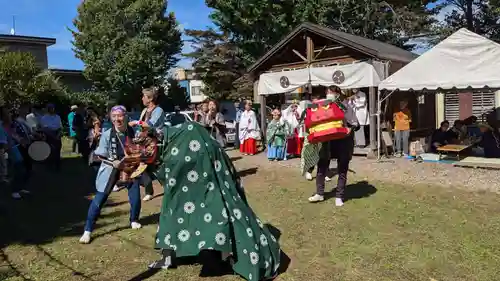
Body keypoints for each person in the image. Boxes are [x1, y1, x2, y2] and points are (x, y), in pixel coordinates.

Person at [148, 121, 281, 280]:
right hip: (189, 177)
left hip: (209, 172)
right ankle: (170, 256)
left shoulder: (187, 137)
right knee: (173, 209)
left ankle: (228, 253)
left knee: (219, 209)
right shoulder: (175, 139)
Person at [79, 106, 143, 244]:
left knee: (135, 196)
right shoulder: (108, 134)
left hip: (129, 167)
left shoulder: (133, 132)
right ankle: (88, 230)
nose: (116, 119)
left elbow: (141, 146)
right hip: (111, 168)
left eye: (119, 116)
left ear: (125, 116)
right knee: (100, 198)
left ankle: (134, 219)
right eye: (113, 116)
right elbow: (99, 155)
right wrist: (114, 163)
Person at [302, 91, 359, 206]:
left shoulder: (346, 106)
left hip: (344, 140)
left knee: (342, 168)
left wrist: (349, 128)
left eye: (332, 93)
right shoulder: (322, 107)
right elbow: (310, 119)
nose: (330, 96)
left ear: (338, 94)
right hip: (326, 140)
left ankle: (339, 196)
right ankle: (319, 193)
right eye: (328, 93)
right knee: (321, 166)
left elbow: (356, 124)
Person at [128, 87, 165, 201]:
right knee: (143, 166)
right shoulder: (144, 111)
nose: (142, 98)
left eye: (144, 96)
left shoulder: (158, 110)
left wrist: (136, 122)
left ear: (150, 98)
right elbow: (141, 127)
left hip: (155, 142)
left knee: (155, 167)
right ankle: (149, 191)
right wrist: (137, 134)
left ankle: (167, 187)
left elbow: (149, 124)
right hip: (144, 142)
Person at [0, 106, 29, 199]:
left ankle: (19, 188)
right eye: (7, 113)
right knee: (17, 171)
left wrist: (20, 140)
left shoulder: (7, 125)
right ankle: (14, 191)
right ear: (2, 116)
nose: (9, 114)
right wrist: (9, 149)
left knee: (21, 169)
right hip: (10, 151)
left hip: (14, 149)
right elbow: (4, 144)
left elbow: (13, 134)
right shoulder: (1, 127)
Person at [12, 104, 34, 180]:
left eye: (27, 109)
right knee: (24, 161)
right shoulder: (17, 121)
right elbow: (15, 133)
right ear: (19, 110)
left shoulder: (26, 120)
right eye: (24, 109)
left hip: (28, 142)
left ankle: (26, 176)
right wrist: (21, 140)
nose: (26, 110)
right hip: (21, 144)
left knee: (28, 161)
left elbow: (29, 131)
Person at [40, 104, 62, 169]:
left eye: (53, 108)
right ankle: (50, 164)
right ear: (48, 109)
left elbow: (60, 127)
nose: (52, 109)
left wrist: (59, 134)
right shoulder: (44, 118)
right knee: (50, 150)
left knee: (58, 149)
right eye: (50, 108)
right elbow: (44, 128)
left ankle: (57, 164)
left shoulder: (57, 117)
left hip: (57, 133)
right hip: (48, 134)